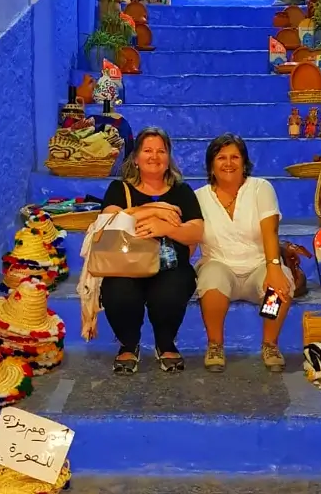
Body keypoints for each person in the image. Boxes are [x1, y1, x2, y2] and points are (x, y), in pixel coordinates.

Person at [100, 127, 203, 374]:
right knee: (118, 290)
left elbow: (196, 231)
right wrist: (154, 211)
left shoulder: (182, 192)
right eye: (147, 150)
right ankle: (128, 344)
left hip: (170, 266)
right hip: (125, 264)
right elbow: (107, 220)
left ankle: (165, 343)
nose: (154, 156)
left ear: (168, 158)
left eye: (161, 151)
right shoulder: (119, 189)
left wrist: (163, 228)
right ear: (135, 158)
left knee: (172, 289)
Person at [195, 134, 294, 373]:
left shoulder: (260, 188)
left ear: (244, 162)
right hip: (218, 264)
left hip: (259, 266)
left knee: (279, 288)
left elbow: (270, 231)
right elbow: (189, 236)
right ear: (211, 165)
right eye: (221, 158)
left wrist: (274, 267)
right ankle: (215, 345)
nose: (228, 163)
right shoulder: (198, 197)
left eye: (235, 157)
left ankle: (270, 344)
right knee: (211, 281)